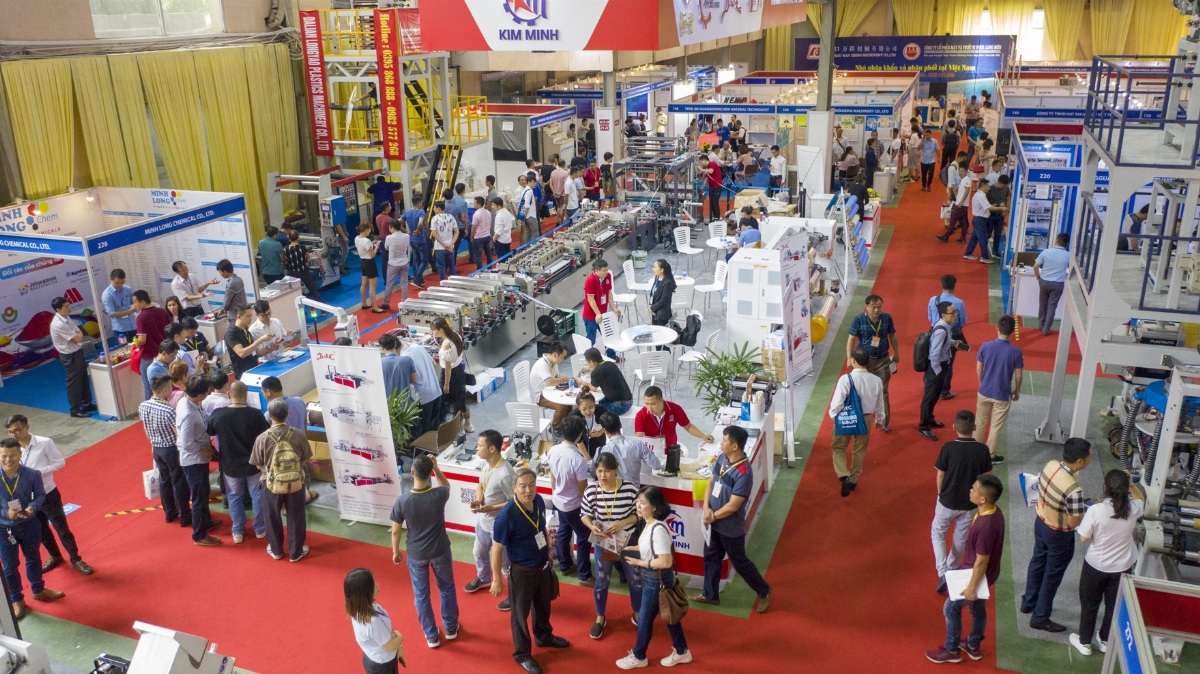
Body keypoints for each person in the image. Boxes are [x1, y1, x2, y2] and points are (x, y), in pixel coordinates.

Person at [489, 468, 571, 674]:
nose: (528, 490)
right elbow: (496, 549)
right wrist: (496, 579)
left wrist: (548, 552)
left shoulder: (539, 501)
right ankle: (522, 654)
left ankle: (543, 636)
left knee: (543, 607)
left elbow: (541, 529)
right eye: (523, 486)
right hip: (521, 573)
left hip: (542, 567)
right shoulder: (507, 515)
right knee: (520, 616)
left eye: (531, 485)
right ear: (514, 488)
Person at [925, 474, 1005, 664]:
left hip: (975, 575)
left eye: (974, 489)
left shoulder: (985, 527)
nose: (970, 490)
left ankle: (952, 649)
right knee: (977, 608)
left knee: (950, 608)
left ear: (983, 499)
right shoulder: (994, 512)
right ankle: (973, 644)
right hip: (988, 573)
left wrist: (971, 587)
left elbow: (981, 561)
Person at [690, 425, 772, 612]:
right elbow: (711, 482)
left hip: (730, 528)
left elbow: (733, 506)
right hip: (713, 523)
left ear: (734, 446)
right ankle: (710, 594)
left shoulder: (744, 473)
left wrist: (713, 516)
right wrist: (706, 508)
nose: (721, 443)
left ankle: (764, 591)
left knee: (740, 562)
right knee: (711, 557)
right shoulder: (722, 458)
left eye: (724, 441)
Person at [1070, 469, 1145, 656]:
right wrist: (1133, 485)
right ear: (1126, 488)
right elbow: (1141, 500)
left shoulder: (1096, 510)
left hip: (1096, 565)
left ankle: (1085, 642)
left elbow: (1084, 538)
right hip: (1122, 567)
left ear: (1105, 487)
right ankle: (1105, 639)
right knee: (1113, 606)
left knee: (1089, 604)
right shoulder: (1133, 508)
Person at [5, 415, 93, 575]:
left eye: (17, 430)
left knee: (62, 528)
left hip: (47, 493)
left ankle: (76, 559)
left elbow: (60, 462)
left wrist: (39, 472)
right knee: (41, 531)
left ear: (27, 427)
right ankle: (55, 556)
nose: (14, 435)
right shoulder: (13, 449)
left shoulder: (44, 443)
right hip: (28, 499)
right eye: (10, 432)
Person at [616, 486, 693, 669]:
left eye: (643, 503)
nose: (638, 506)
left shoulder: (657, 529)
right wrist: (634, 549)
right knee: (669, 614)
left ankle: (639, 655)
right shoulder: (649, 523)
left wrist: (640, 563)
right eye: (637, 502)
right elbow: (649, 547)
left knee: (645, 619)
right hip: (655, 578)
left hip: (655, 579)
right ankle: (682, 650)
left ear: (655, 506)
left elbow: (665, 561)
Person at [1022, 437, 1092, 633]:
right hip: (1059, 535)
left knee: (1037, 562)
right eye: (1089, 457)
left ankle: (1028, 602)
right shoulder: (1074, 490)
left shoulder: (1051, 465)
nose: (1090, 460)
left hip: (1041, 523)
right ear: (1080, 461)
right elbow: (1073, 522)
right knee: (1052, 575)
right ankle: (1040, 617)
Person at [390, 455, 460, 648]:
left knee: (421, 595)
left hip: (416, 554)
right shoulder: (439, 495)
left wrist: (395, 551)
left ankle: (431, 636)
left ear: (412, 472)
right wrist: (436, 468)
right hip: (440, 550)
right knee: (446, 588)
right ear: (429, 473)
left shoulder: (403, 501)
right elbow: (446, 485)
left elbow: (396, 530)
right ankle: (451, 628)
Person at [0, 438, 64, 620]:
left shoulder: (32, 474)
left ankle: (38, 589)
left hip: (29, 524)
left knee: (34, 558)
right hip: (4, 529)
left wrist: (32, 508)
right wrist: (6, 513)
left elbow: (41, 495)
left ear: (20, 454)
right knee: (10, 567)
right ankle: (16, 600)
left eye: (12, 455)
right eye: (4, 456)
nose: (8, 460)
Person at [932, 411, 993, 594]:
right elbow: (985, 478)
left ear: (954, 427)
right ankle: (951, 568)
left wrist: (940, 493)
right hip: (970, 505)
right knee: (960, 538)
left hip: (947, 501)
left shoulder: (948, 447)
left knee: (938, 533)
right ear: (974, 427)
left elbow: (940, 474)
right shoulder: (982, 450)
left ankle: (942, 571)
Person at [582, 451, 640, 640]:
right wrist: (592, 526)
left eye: (607, 471)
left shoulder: (629, 489)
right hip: (603, 542)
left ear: (615, 470)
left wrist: (623, 523)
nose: (603, 475)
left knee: (635, 579)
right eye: (599, 471)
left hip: (628, 541)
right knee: (602, 580)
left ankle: (637, 612)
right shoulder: (591, 490)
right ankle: (600, 616)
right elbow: (584, 514)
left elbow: (639, 514)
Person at [205, 381, 269, 544]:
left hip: (230, 465)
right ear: (246, 395)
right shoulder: (255, 414)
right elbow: (266, 436)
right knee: (257, 496)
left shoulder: (219, 415)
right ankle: (260, 528)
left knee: (234, 496)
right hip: (254, 464)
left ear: (228, 394)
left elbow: (209, 431)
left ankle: (238, 530)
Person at [251, 398, 313, 562]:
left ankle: (276, 550)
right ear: (287, 414)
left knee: (272, 516)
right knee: (296, 516)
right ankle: (296, 552)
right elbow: (305, 458)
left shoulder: (262, 438)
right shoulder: (298, 434)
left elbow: (258, 464)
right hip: (296, 482)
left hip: (271, 484)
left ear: (270, 415)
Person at [463, 430, 515, 611]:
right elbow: (480, 485)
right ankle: (484, 578)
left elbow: (514, 502)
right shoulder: (486, 465)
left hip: (499, 525)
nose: (476, 448)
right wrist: (479, 500)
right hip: (483, 521)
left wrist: (490, 508)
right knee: (478, 552)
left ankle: (514, 595)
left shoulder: (506, 473)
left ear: (492, 448)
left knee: (505, 564)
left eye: (480, 445)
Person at [828, 349, 886, 497]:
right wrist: (880, 420)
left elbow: (837, 403)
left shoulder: (845, 379)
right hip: (865, 419)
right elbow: (880, 403)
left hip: (846, 417)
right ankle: (853, 480)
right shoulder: (877, 380)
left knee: (838, 448)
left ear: (853, 360)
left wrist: (834, 415)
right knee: (859, 450)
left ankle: (844, 476)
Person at [547, 415, 593, 585]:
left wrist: (557, 491)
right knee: (584, 536)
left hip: (559, 501)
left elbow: (552, 476)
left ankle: (565, 565)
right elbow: (582, 489)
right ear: (580, 435)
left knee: (563, 531)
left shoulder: (553, 450)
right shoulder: (578, 459)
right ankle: (584, 575)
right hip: (574, 504)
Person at [140, 375, 189, 530]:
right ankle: (184, 515)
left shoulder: (143, 406)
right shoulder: (168, 410)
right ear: (165, 390)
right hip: (171, 450)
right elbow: (177, 434)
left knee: (164, 480)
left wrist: (153, 444)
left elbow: (146, 428)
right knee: (178, 481)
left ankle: (169, 512)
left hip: (157, 448)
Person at [176, 376, 220, 547]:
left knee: (204, 492)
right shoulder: (188, 414)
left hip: (199, 457)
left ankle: (206, 522)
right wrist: (205, 450)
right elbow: (186, 443)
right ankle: (199, 535)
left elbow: (203, 416)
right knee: (199, 498)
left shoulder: (189, 402)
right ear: (201, 395)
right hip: (194, 461)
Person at [845, 294, 899, 431]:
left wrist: (896, 352)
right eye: (873, 307)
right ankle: (860, 417)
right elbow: (851, 339)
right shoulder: (859, 320)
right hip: (864, 362)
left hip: (883, 360)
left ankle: (883, 422)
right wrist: (850, 358)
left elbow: (892, 335)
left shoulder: (887, 318)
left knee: (883, 391)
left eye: (879, 307)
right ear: (866, 307)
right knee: (861, 390)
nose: (876, 310)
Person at [974, 315, 1022, 464]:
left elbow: (978, 368)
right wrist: (1017, 391)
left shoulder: (985, 346)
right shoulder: (1016, 352)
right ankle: (990, 455)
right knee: (996, 426)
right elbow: (1018, 375)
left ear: (997, 328)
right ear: (1012, 331)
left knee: (980, 422)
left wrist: (981, 384)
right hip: (1002, 394)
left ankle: (974, 451)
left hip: (984, 391)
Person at [345, 568, 406, 673]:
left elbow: (386, 631)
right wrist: (400, 636)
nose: (377, 585)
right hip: (383, 665)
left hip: (375, 657)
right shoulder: (373, 622)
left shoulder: (360, 608)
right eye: (373, 585)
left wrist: (399, 648)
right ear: (365, 593)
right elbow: (390, 646)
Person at [920, 302, 965, 441]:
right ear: (944, 315)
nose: (956, 315)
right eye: (953, 312)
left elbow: (945, 340)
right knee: (929, 398)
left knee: (934, 395)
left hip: (940, 366)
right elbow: (933, 355)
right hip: (936, 368)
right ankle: (924, 426)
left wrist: (953, 342)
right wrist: (938, 371)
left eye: (956, 312)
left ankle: (930, 418)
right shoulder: (941, 331)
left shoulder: (945, 326)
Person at [926, 274, 968, 399]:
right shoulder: (959, 303)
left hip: (933, 332)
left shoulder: (933, 300)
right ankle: (944, 391)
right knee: (948, 362)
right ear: (954, 286)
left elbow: (929, 317)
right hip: (951, 333)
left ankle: (928, 386)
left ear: (941, 285)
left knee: (931, 359)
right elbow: (963, 321)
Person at [49, 297, 92, 418]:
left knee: (83, 378)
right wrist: (78, 335)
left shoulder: (66, 317)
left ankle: (86, 403)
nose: (69, 308)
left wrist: (78, 335)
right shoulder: (58, 324)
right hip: (69, 356)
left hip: (77, 351)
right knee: (74, 383)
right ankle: (75, 409)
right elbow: (78, 337)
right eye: (66, 307)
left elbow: (79, 331)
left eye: (69, 305)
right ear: (58, 309)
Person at [635, 386, 713, 448]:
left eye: (653, 404)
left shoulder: (675, 409)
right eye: (646, 403)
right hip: (650, 451)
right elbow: (640, 439)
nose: (649, 407)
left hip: (671, 449)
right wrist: (656, 445)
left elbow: (688, 426)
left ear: (661, 401)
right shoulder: (640, 415)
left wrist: (703, 436)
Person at [596, 414, 660, 488]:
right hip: (633, 491)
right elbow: (656, 465)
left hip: (612, 491)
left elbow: (594, 472)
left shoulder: (602, 450)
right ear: (620, 425)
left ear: (604, 431)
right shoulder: (638, 445)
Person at [432, 318, 472, 432]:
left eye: (434, 330)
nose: (433, 333)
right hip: (459, 370)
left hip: (450, 375)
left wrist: (446, 384)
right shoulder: (455, 334)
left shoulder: (446, 344)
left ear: (441, 330)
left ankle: (459, 429)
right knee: (461, 399)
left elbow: (448, 367)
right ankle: (468, 424)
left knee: (452, 402)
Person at [402, 336, 442, 435]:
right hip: (436, 390)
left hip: (424, 395)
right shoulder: (419, 348)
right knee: (435, 426)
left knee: (424, 428)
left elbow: (413, 379)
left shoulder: (404, 357)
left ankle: (425, 444)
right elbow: (435, 364)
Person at [1034, 233, 1071, 337]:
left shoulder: (1046, 252)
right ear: (1066, 244)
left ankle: (1041, 324)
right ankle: (1046, 329)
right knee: (1052, 306)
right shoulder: (1068, 255)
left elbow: (1035, 266)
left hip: (1044, 282)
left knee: (1042, 304)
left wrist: (1038, 277)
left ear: (1056, 240)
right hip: (1058, 284)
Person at [582, 258, 619, 358]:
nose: (607, 272)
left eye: (607, 269)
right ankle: (588, 359)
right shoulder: (590, 280)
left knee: (608, 335)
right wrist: (598, 313)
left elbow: (609, 293)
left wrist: (614, 308)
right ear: (596, 270)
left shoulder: (607, 276)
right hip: (591, 316)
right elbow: (591, 299)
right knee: (591, 339)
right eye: (604, 270)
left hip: (603, 313)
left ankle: (612, 356)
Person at [578, 348, 633, 417]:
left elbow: (592, 389)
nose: (587, 364)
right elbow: (602, 371)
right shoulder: (611, 364)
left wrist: (581, 381)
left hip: (619, 406)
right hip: (628, 401)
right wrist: (590, 369)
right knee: (598, 401)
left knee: (590, 408)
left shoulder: (596, 372)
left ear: (591, 362)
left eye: (587, 362)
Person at [226, 305, 273, 379]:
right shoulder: (231, 333)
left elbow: (256, 353)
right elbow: (242, 353)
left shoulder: (246, 330)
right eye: (248, 316)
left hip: (254, 370)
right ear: (239, 317)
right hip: (243, 375)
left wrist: (270, 348)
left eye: (251, 316)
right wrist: (260, 340)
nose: (250, 319)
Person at [964, 179, 1005, 263]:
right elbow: (988, 207)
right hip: (980, 220)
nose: (989, 188)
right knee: (983, 239)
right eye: (988, 186)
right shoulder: (981, 196)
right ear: (984, 186)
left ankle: (968, 253)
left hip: (978, 219)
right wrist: (1001, 208)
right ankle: (984, 257)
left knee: (975, 237)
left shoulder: (979, 195)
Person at [378, 218, 411, 312]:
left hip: (393, 263)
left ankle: (386, 303)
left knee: (389, 284)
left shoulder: (389, 238)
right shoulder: (406, 236)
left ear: (392, 227)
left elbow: (386, 247)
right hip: (404, 262)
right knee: (404, 283)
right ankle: (404, 302)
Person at [283, 229, 321, 300]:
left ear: (289, 238)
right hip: (304, 271)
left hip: (293, 273)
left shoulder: (286, 249)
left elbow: (285, 259)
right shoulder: (303, 247)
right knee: (313, 289)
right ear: (298, 237)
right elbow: (308, 257)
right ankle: (320, 304)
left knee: (294, 291)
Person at [937, 165, 971, 243]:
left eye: (962, 171)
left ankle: (946, 236)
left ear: (966, 172)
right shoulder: (963, 180)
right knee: (963, 222)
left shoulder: (966, 179)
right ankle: (963, 238)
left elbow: (967, 191)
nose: (960, 173)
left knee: (953, 220)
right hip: (961, 204)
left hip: (961, 204)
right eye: (959, 171)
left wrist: (961, 201)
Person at [101, 268, 137, 342]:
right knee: (125, 348)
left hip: (134, 325)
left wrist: (135, 305)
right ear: (111, 279)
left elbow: (134, 302)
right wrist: (130, 311)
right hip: (121, 329)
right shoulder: (107, 294)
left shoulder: (128, 289)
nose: (120, 285)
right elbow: (112, 314)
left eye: (122, 282)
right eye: (117, 282)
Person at [378, 333, 417, 402]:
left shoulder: (379, 363)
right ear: (395, 344)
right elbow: (414, 380)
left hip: (388, 404)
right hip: (405, 404)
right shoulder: (407, 360)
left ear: (382, 348)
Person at [402, 195, 429, 287]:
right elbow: (421, 223)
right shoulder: (421, 212)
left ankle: (419, 279)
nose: (422, 204)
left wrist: (406, 231)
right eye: (421, 202)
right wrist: (418, 230)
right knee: (424, 261)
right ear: (418, 203)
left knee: (416, 260)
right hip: (420, 240)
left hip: (412, 240)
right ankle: (417, 279)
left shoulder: (408, 212)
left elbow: (398, 221)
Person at [355, 222, 381, 310]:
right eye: (370, 230)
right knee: (372, 287)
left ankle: (364, 303)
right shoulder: (367, 241)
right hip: (370, 263)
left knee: (364, 285)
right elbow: (372, 255)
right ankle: (375, 307)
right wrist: (376, 247)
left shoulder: (357, 238)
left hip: (363, 262)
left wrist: (372, 243)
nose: (370, 231)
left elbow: (363, 248)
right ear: (366, 229)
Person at [430, 201, 458, 280]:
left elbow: (434, 234)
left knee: (441, 267)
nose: (433, 209)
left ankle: (443, 283)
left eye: (434, 208)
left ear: (438, 209)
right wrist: (451, 243)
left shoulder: (434, 219)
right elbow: (456, 232)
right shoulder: (451, 217)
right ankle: (454, 282)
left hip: (439, 247)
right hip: (450, 246)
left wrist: (443, 244)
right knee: (452, 266)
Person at [648, 259, 676, 334]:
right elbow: (652, 293)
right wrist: (650, 305)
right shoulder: (657, 278)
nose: (653, 269)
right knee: (655, 334)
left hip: (662, 314)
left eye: (655, 267)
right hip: (654, 312)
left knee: (661, 335)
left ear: (662, 270)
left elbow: (663, 300)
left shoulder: (667, 283)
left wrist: (652, 308)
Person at [216, 259, 246, 323]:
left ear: (225, 272)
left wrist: (222, 310)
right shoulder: (239, 279)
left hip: (234, 315)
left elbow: (227, 301)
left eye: (220, 272)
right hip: (243, 312)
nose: (220, 274)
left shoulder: (231, 284)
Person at [470, 196, 494, 267]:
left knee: (478, 255)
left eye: (475, 203)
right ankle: (490, 267)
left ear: (479, 204)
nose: (474, 204)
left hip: (478, 237)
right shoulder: (488, 212)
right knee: (488, 253)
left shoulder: (476, 214)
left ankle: (480, 269)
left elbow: (473, 228)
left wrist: (472, 237)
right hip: (487, 236)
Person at [516, 174, 539, 245]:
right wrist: (525, 216)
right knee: (535, 233)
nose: (535, 184)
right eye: (533, 182)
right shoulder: (529, 191)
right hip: (530, 215)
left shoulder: (524, 190)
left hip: (526, 215)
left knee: (528, 233)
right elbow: (527, 205)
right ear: (529, 182)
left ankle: (526, 247)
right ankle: (533, 247)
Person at [701, 152, 723, 220]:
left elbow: (711, 171)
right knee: (711, 203)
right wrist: (702, 188)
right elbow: (706, 179)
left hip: (717, 187)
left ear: (704, 160)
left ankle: (717, 217)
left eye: (701, 162)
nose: (701, 164)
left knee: (714, 202)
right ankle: (713, 216)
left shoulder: (712, 164)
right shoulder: (707, 168)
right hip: (711, 187)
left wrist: (701, 169)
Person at [375, 202, 395, 269]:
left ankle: (385, 275)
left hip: (381, 239)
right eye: (390, 206)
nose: (391, 207)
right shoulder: (389, 219)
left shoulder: (377, 217)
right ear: (387, 208)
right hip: (389, 240)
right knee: (393, 259)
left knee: (384, 260)